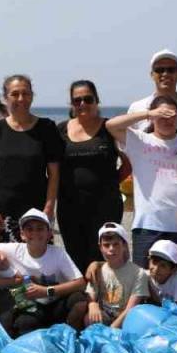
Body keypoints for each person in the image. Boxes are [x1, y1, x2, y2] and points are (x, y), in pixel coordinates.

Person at [105, 95, 177, 267]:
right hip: (147, 226)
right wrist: (148, 114)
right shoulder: (140, 141)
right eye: (162, 116)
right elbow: (111, 125)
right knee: (144, 283)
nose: (167, 120)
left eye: (172, 115)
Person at [58, 80, 130, 272]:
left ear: (97, 101)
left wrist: (111, 181)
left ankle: (107, 300)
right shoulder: (61, 129)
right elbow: (52, 166)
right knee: (75, 258)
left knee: (104, 257)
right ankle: (83, 300)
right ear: (71, 104)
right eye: (77, 100)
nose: (82, 104)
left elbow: (129, 163)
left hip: (105, 206)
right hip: (69, 207)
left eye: (88, 99)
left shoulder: (109, 128)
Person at [0, 75, 63, 242]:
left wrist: (48, 208)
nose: (21, 98)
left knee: (39, 264)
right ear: (5, 98)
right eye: (15, 94)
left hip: (37, 211)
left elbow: (54, 174)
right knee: (2, 264)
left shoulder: (46, 127)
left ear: (32, 96)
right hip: (2, 214)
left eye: (26, 93)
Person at [0, 209, 87, 337]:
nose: (35, 233)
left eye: (40, 228)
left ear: (49, 234)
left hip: (56, 303)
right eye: (29, 229)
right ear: (22, 234)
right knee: (24, 323)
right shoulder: (14, 249)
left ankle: (73, 336)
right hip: (32, 307)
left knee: (79, 299)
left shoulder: (58, 253)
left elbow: (80, 283)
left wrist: (46, 291)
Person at [72, 223, 148, 330]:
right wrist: (92, 304)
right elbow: (91, 297)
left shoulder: (139, 273)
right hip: (105, 316)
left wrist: (111, 331)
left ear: (125, 245)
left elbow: (131, 308)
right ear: (100, 247)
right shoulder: (97, 270)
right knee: (89, 318)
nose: (111, 249)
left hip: (127, 319)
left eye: (116, 244)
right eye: (106, 245)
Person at [127, 49, 177, 136]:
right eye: (159, 70)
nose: (165, 74)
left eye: (171, 70)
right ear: (152, 75)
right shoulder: (137, 108)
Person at [145, 240, 177, 312]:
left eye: (163, 266)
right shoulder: (144, 277)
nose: (156, 269)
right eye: (154, 262)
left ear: (174, 269)